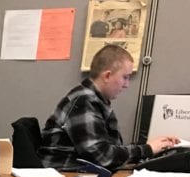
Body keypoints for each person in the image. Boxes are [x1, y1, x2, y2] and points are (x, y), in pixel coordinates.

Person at [38, 45, 179, 170]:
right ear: (107, 76)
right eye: (125, 77)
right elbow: (103, 157)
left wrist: (152, 146)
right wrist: (147, 149)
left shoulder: (94, 99)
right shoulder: (84, 101)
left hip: (73, 175)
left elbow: (109, 149)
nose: (126, 85)